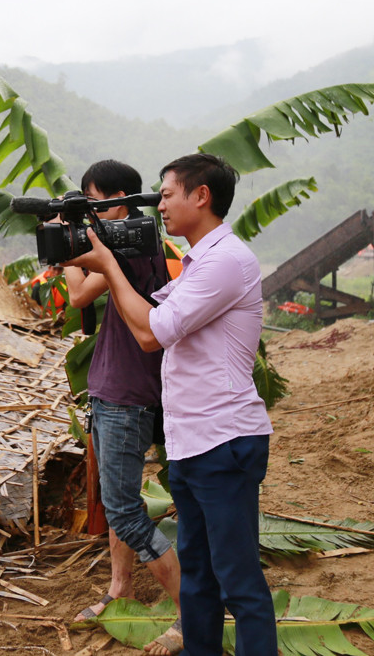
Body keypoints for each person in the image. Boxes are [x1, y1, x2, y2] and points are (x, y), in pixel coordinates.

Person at [70, 153, 276, 656]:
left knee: (238, 581)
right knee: (201, 575)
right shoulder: (198, 261)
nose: (156, 205)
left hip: (222, 440)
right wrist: (104, 263)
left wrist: (106, 265)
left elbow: (149, 332)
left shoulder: (227, 261)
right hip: (192, 442)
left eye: (166, 194)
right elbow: (150, 312)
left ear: (200, 196)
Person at [62, 160, 181, 656]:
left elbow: (76, 294)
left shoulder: (126, 247)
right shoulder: (143, 240)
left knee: (126, 512)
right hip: (126, 389)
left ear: (120, 201)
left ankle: (191, 609)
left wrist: (70, 242)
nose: (91, 213)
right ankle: (120, 588)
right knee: (120, 503)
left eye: (95, 203)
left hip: (125, 395)